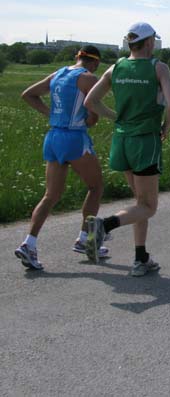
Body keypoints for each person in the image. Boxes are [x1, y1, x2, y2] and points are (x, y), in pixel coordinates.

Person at [84, 23, 170, 277]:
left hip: (122, 140)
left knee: (139, 203)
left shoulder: (116, 68)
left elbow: (90, 101)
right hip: (145, 140)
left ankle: (140, 258)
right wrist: (165, 128)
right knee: (149, 206)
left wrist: (116, 117)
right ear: (149, 43)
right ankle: (104, 225)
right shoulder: (157, 67)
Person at [14, 46, 106, 270]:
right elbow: (93, 117)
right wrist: (91, 119)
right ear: (94, 63)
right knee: (96, 187)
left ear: (77, 57)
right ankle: (84, 239)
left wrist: (50, 113)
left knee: (51, 195)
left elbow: (28, 94)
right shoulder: (89, 78)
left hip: (53, 136)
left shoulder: (58, 73)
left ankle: (29, 243)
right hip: (74, 138)